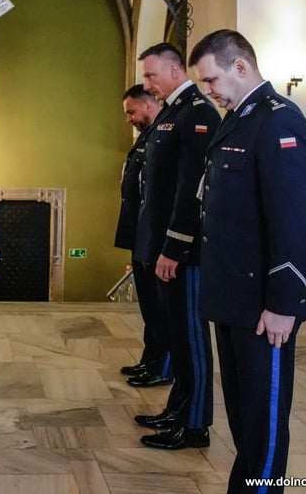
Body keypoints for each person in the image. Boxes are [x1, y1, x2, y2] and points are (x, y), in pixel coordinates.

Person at [189, 29, 306, 492]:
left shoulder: (278, 120)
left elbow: (292, 219)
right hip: (232, 298)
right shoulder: (237, 119)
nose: (208, 91)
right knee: (244, 416)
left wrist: (284, 303)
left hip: (265, 305)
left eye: (211, 80)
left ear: (240, 66)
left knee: (263, 423)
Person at [133, 43, 219, 450]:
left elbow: (191, 191)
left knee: (190, 339)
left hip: (182, 252)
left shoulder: (198, 113)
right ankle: (177, 409)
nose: (147, 84)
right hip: (161, 245)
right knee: (176, 336)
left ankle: (196, 423)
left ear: (173, 70)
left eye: (152, 76)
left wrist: (173, 247)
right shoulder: (171, 111)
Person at [115, 84, 173, 388]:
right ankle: (150, 360)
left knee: (160, 308)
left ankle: (162, 367)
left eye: (131, 111)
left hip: (154, 236)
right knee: (149, 307)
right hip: (140, 233)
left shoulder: (161, 137)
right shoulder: (147, 139)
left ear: (148, 106)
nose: (128, 119)